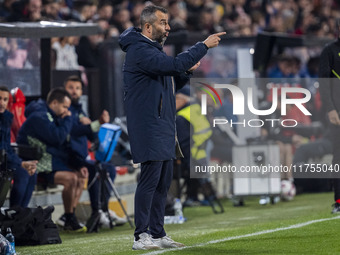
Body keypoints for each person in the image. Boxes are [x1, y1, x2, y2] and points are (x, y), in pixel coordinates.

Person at [119, 4, 225, 250]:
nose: (167, 27)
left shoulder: (151, 50)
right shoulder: (139, 50)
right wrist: (203, 46)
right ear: (147, 26)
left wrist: (185, 72)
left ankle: (157, 233)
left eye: (167, 23)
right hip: (149, 126)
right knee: (149, 181)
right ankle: (140, 236)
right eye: (163, 23)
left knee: (163, 182)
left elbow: (168, 84)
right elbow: (171, 66)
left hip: (164, 125)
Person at [56, 75, 126, 228]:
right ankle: (96, 212)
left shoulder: (80, 110)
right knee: (94, 170)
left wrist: (98, 125)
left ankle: (103, 209)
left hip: (81, 155)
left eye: (77, 88)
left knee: (109, 169)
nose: (74, 91)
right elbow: (73, 131)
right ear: (64, 89)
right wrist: (96, 123)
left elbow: (91, 134)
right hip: (68, 155)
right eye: (71, 88)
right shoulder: (64, 108)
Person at [16, 87, 87, 232]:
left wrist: (78, 164)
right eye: (65, 107)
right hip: (36, 163)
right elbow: (57, 138)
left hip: (49, 162)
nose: (67, 111)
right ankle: (69, 217)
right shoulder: (39, 116)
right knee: (72, 179)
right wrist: (68, 119)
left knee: (80, 177)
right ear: (54, 103)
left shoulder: (52, 116)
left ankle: (69, 217)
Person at [0, 86, 37, 207]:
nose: (2, 103)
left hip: (4, 160)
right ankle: (15, 214)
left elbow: (6, 146)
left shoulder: (6, 117)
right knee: (22, 173)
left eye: (5, 100)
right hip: (2, 161)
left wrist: (21, 162)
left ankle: (21, 216)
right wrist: (21, 163)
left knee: (32, 173)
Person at [318, 23, 340, 213]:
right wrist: (331, 109)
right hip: (338, 114)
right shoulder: (330, 51)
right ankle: (339, 201)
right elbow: (323, 84)